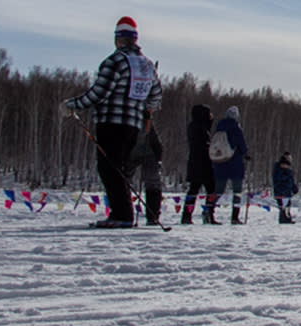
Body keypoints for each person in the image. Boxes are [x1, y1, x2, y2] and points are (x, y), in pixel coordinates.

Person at [61, 16, 163, 228]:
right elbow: (155, 97)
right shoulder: (147, 66)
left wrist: (72, 105)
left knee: (109, 168)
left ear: (118, 39)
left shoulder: (115, 61)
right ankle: (122, 213)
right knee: (120, 168)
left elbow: (98, 93)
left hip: (111, 122)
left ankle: (122, 215)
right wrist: (142, 109)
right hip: (133, 126)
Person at [182, 104, 220, 224]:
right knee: (210, 189)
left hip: (196, 163)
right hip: (203, 163)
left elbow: (207, 127)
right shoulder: (199, 128)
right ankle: (208, 214)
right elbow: (202, 144)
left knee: (195, 190)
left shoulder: (196, 126)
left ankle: (187, 215)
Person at [212, 106, 250, 225]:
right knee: (237, 191)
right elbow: (242, 145)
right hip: (235, 163)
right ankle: (234, 217)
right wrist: (246, 154)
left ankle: (208, 211)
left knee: (218, 190)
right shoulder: (236, 128)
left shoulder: (219, 127)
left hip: (220, 162)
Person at [128, 121, 165, 226]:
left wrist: (158, 156)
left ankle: (153, 216)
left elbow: (155, 141)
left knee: (153, 184)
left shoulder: (147, 122)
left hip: (149, 154)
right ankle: (123, 213)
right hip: (130, 153)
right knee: (122, 181)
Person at [272, 151, 298, 224]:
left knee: (287, 205)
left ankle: (287, 218)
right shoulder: (278, 170)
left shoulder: (288, 171)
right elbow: (279, 179)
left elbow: (291, 181)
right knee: (283, 206)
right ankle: (283, 219)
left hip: (287, 192)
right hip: (281, 192)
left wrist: (294, 188)